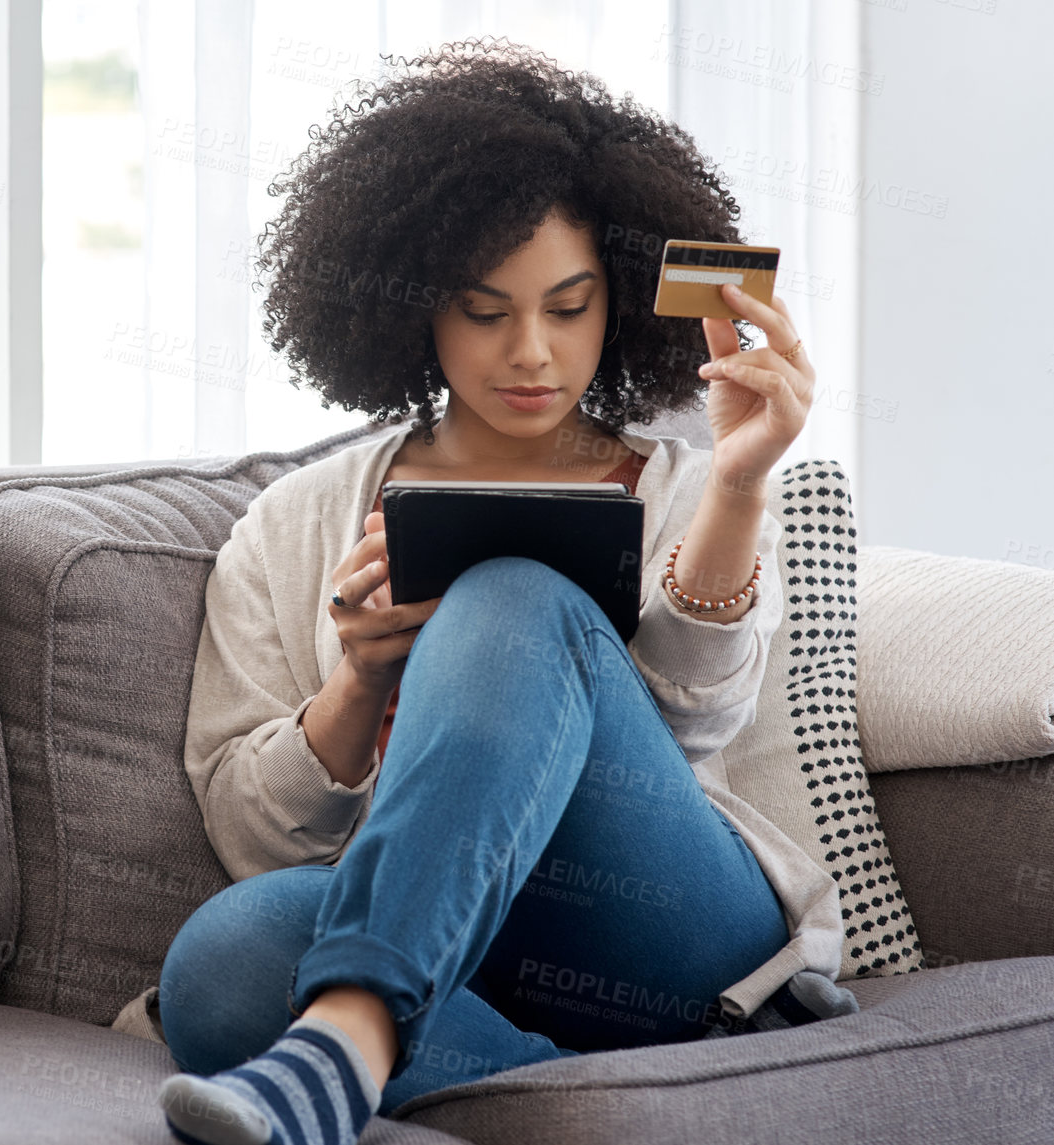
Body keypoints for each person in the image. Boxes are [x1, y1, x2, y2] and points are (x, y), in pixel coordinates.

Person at [151, 38, 842, 1145]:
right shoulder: (292, 524)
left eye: (567, 308)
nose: (531, 352)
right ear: (415, 308)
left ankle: (349, 1036)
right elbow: (248, 829)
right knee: (224, 964)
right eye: (484, 310)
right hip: (462, 958)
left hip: (661, 923)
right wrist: (359, 676)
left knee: (512, 595)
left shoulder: (682, 487)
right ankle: (596, 1094)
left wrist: (738, 482)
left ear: (614, 305)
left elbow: (694, 720)